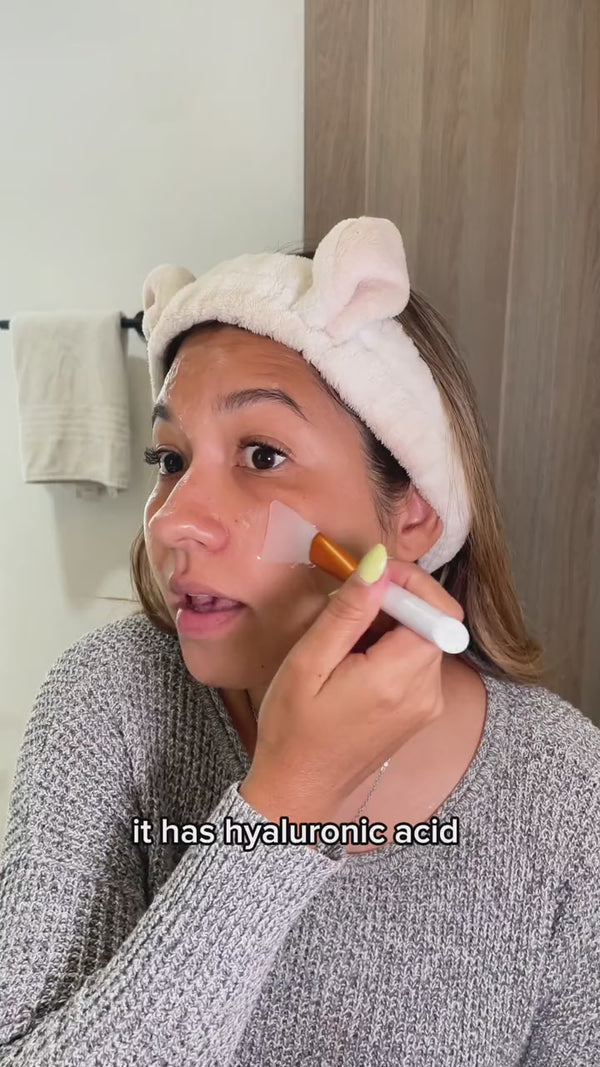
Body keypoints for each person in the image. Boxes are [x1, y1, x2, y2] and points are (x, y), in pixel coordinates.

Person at [0, 216, 598, 1065]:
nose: (171, 522)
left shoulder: (567, 796)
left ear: (413, 514)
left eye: (262, 455)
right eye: (170, 459)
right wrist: (284, 805)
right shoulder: (108, 703)